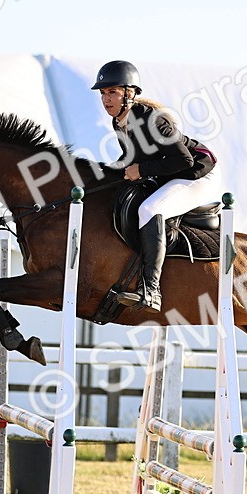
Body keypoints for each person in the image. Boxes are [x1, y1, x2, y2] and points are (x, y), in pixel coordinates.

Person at [92, 60, 219, 312]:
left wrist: (142, 170)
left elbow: (184, 160)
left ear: (129, 94)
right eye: (103, 93)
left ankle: (151, 291)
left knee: (150, 210)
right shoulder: (119, 122)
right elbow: (130, 159)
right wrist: (98, 174)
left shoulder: (152, 119)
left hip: (197, 174)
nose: (106, 99)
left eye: (112, 92)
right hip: (173, 174)